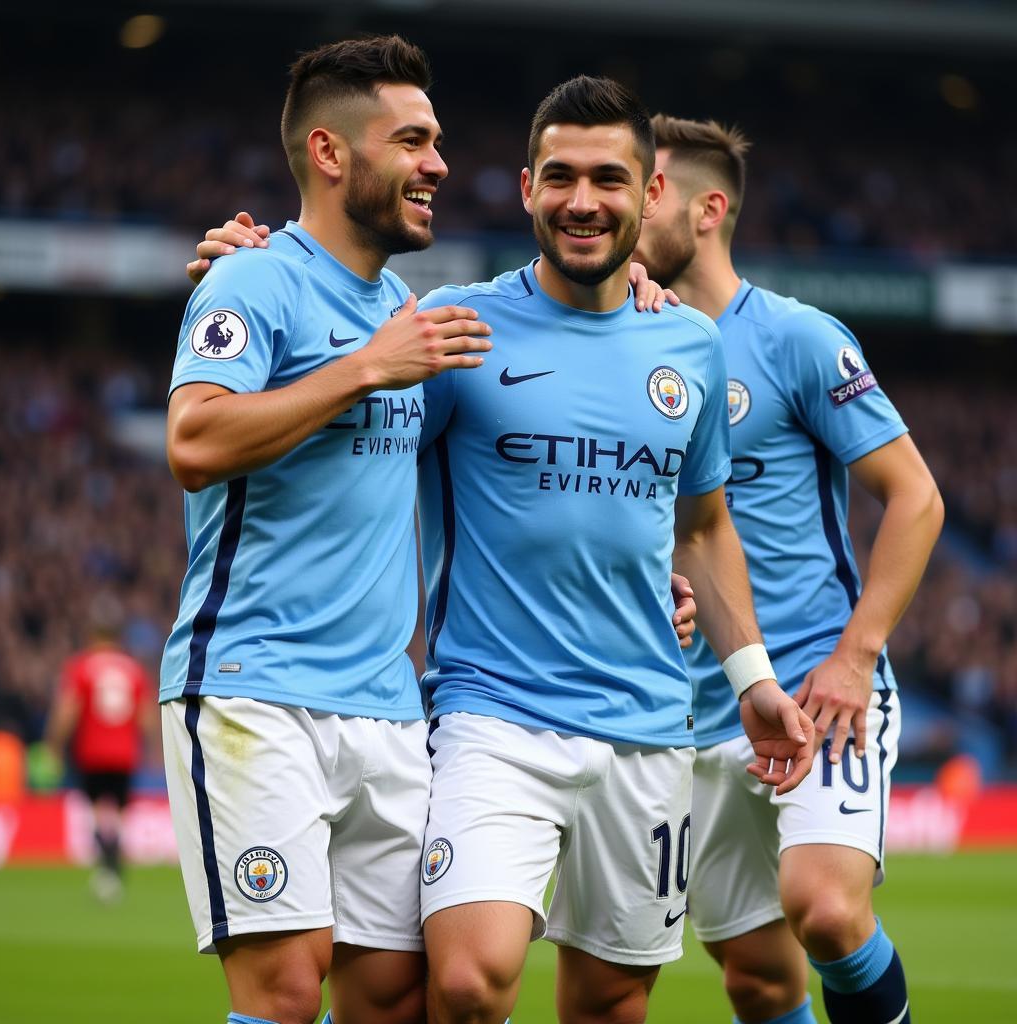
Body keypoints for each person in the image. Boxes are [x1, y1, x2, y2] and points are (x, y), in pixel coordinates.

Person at [187, 76, 815, 1024]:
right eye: (559, 177)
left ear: (651, 197)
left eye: (610, 179)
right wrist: (254, 271)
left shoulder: (689, 346)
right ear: (526, 188)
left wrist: (753, 677)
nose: (582, 201)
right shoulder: (456, 331)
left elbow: (702, 527)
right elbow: (344, 394)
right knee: (469, 983)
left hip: (648, 723)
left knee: (607, 1002)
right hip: (489, 714)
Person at [160, 35, 495, 1024]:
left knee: (392, 996)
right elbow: (193, 438)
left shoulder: (403, 310)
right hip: (255, 690)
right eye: (412, 140)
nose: (437, 162)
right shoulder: (252, 284)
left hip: (386, 707)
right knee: (286, 986)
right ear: (330, 152)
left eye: (436, 141)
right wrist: (361, 369)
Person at [634, 116, 944, 1024]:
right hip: (685, 708)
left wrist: (856, 656)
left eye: (645, 185)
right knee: (758, 982)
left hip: (814, 681)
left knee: (828, 909)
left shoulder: (798, 338)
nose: (618, 198)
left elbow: (916, 497)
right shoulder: (621, 340)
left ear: (706, 209)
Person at [44, 623, 155, 900]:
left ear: (94, 636)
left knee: (94, 811)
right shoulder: (133, 669)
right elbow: (146, 713)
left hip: (92, 751)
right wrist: (153, 747)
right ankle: (113, 868)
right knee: (118, 813)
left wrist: (54, 744)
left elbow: (68, 708)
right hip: (125, 752)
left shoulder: (81, 666)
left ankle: (108, 868)